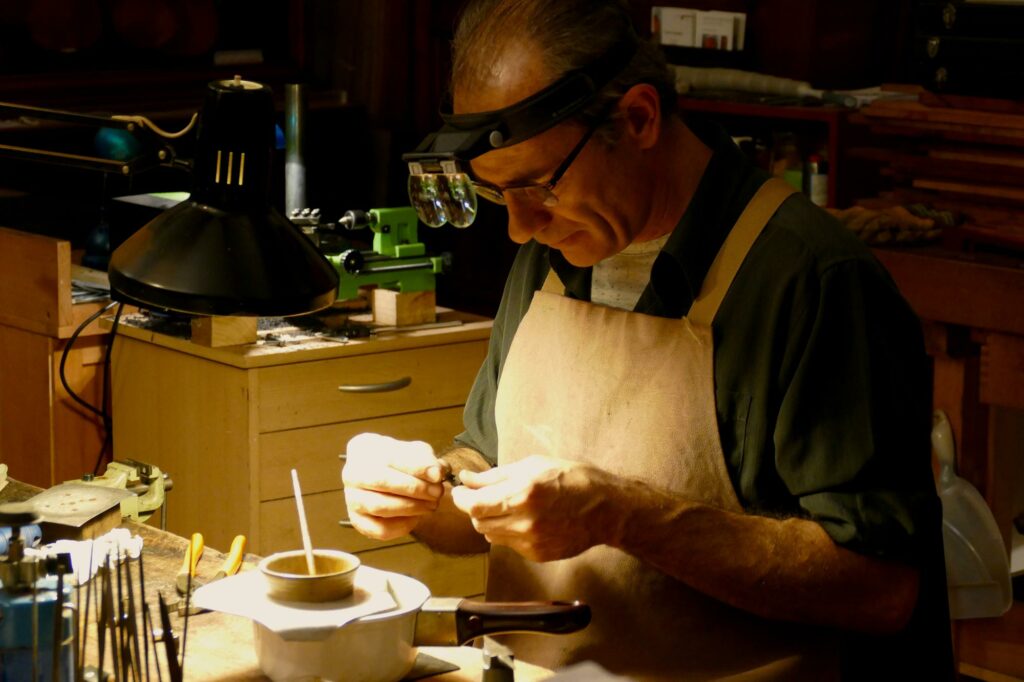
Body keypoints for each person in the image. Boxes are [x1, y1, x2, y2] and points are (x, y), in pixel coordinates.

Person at [342, 1, 953, 679]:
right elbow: (483, 470)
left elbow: (881, 590)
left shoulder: (810, 281)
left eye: (538, 185)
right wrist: (422, 494)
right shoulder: (551, 254)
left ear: (637, 119)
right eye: (497, 195)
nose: (518, 228)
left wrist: (624, 515)